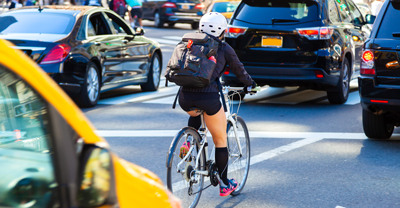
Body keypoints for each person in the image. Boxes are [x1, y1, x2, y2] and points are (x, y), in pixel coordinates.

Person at [176, 12, 256, 197]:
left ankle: (189, 141)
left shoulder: (189, 43)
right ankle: (225, 184)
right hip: (209, 98)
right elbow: (239, 70)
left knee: (196, 111)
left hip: (184, 98)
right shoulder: (224, 47)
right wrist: (250, 83)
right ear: (222, 30)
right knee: (220, 142)